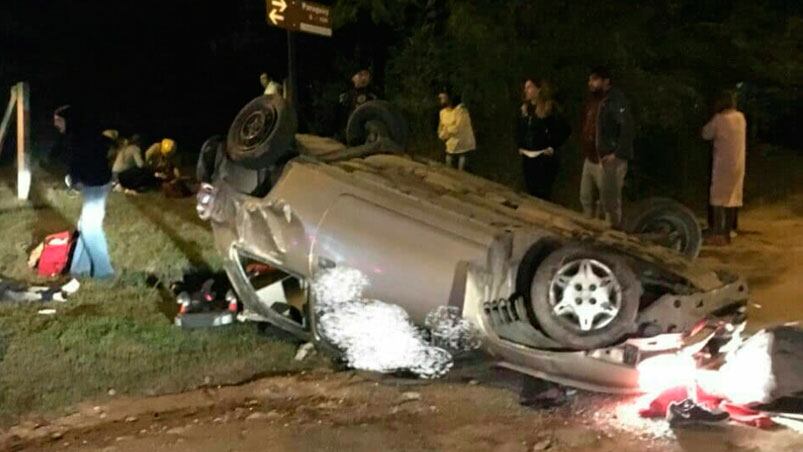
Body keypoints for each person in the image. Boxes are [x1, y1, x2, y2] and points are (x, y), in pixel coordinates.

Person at [53, 105, 114, 279]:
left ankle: (105, 272)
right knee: (84, 225)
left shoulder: (80, 137)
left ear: (68, 119)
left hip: (95, 184)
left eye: (58, 120)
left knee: (90, 228)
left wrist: (75, 179)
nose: (55, 124)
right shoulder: (85, 134)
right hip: (97, 183)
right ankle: (80, 268)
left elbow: (80, 162)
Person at [579, 66, 635, 228]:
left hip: (608, 159)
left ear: (606, 82)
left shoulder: (616, 101)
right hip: (591, 157)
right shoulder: (593, 101)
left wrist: (617, 154)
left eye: (595, 79)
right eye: (590, 79)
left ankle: (613, 236)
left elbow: (627, 128)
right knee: (585, 197)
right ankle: (586, 231)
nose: (591, 83)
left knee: (609, 203)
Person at [702, 91, 746, 246]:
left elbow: (705, 134)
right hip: (738, 164)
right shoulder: (740, 118)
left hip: (722, 165)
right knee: (732, 198)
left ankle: (718, 232)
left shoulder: (720, 119)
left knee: (718, 198)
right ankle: (728, 231)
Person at [516, 79, 571, 200]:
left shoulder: (548, 108)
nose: (526, 91)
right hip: (528, 155)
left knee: (542, 194)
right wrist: (520, 144)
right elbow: (521, 129)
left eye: (530, 87)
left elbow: (563, 129)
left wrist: (552, 147)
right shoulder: (525, 108)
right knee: (529, 191)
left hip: (543, 158)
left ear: (538, 89)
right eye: (526, 88)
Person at [437, 88, 476, 171]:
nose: (440, 99)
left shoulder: (461, 111)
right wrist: (441, 134)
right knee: (449, 160)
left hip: (462, 142)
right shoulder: (443, 112)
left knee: (461, 159)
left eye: (443, 97)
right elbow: (441, 126)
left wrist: (445, 133)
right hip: (450, 143)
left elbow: (457, 128)